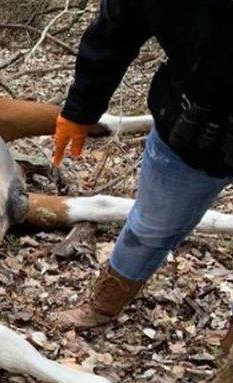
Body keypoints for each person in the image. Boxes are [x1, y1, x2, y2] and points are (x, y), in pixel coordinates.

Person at [51, 0, 233, 329]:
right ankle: (103, 307)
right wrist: (81, 109)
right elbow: (115, 29)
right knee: (150, 228)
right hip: (190, 128)